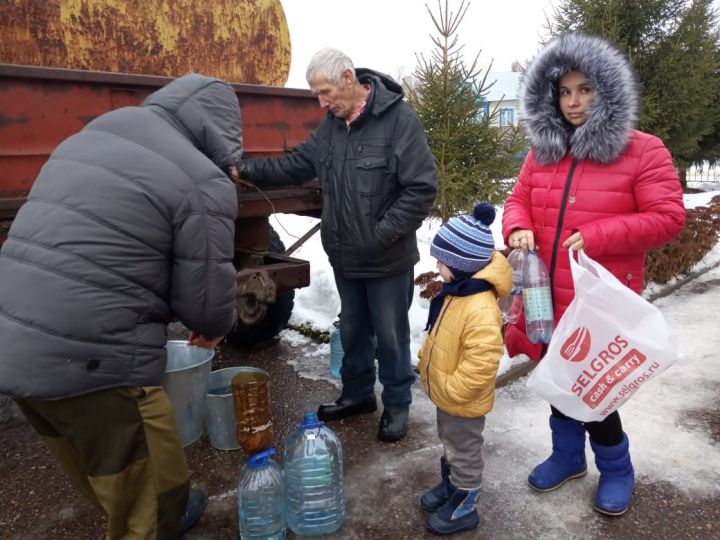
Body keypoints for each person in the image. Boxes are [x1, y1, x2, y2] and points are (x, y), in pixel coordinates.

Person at [0, 73, 241, 538]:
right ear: (219, 130)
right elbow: (208, 305)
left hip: (13, 342)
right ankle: (157, 513)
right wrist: (213, 327)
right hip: (94, 358)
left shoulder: (90, 136)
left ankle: (160, 505)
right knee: (148, 505)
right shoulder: (201, 178)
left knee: (109, 475)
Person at [502, 32, 686, 516]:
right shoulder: (542, 151)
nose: (573, 101)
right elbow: (518, 200)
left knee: (596, 393)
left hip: (599, 300)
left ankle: (617, 469)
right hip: (545, 294)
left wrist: (600, 235)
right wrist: (518, 227)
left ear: (606, 89)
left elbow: (669, 217)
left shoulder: (642, 150)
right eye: (564, 91)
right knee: (555, 379)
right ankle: (567, 457)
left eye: (584, 89)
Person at [238, 48, 438, 442]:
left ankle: (397, 405)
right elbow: (295, 165)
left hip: (386, 258)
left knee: (391, 335)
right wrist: (243, 167)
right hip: (346, 257)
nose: (321, 102)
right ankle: (358, 395)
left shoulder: (398, 121)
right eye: (316, 94)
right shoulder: (331, 127)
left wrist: (380, 236)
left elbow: (421, 188)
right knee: (353, 329)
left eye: (325, 91)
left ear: (349, 78)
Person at [417, 203, 512, 535]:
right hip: (449, 396)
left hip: (463, 400)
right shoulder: (459, 292)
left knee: (464, 449)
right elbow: (444, 336)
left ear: (461, 264)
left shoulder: (480, 307)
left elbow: (483, 361)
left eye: (441, 261)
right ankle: (451, 486)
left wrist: (455, 390)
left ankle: (465, 504)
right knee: (450, 441)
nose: (438, 266)